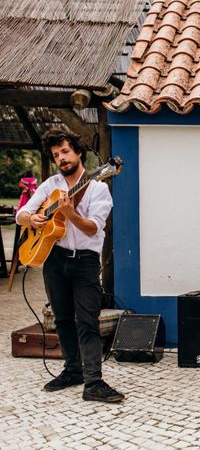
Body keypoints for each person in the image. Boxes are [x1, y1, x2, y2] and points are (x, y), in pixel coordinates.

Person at [16, 129, 124, 403]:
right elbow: (21, 214)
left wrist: (69, 213)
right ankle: (72, 369)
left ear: (78, 152)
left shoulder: (98, 187)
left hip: (85, 262)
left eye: (65, 151)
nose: (61, 158)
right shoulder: (51, 184)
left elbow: (92, 229)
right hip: (54, 259)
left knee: (87, 322)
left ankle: (94, 383)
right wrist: (32, 220)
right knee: (62, 319)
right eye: (55, 155)